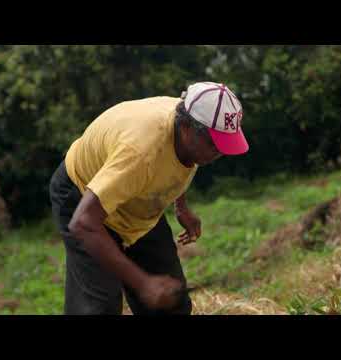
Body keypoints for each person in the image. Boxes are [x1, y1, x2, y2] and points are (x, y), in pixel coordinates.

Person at [49, 82, 249, 315]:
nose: (219, 153)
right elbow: (83, 223)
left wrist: (181, 206)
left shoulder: (189, 126)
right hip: (82, 197)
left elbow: (178, 160)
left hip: (133, 202)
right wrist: (142, 282)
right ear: (186, 127)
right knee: (98, 308)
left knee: (173, 304)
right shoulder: (140, 152)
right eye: (214, 145)